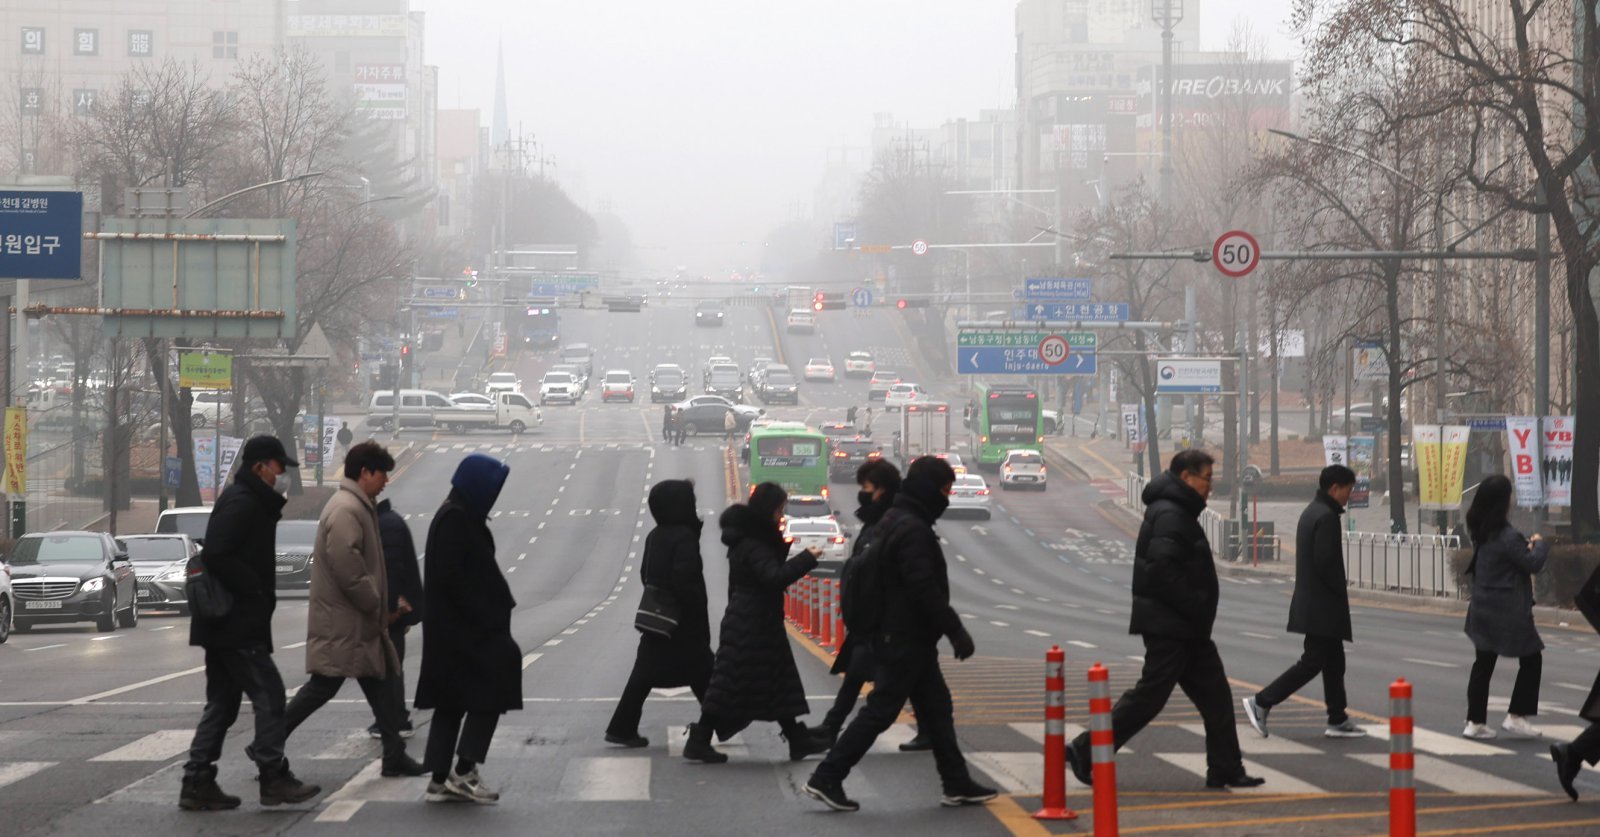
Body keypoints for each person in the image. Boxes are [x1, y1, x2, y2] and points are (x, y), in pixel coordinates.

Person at [804, 456, 996, 812]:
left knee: (937, 710)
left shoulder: (896, 520)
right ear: (928, 489)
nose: (947, 498)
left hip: (905, 637)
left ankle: (956, 782)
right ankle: (827, 776)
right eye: (944, 490)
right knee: (880, 711)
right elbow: (923, 588)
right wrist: (955, 631)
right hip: (903, 638)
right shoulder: (912, 530)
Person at [1066, 450, 1264, 790]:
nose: (1210, 487)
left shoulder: (1176, 510)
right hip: (1172, 627)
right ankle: (1085, 749)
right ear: (1186, 477)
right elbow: (1162, 569)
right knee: (1150, 697)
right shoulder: (1171, 514)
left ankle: (1226, 768)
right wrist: (1195, 605)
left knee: (1215, 696)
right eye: (1206, 479)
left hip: (1186, 628)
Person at [180, 435, 321, 811]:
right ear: (260, 467)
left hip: (229, 622)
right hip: (235, 622)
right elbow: (217, 553)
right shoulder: (244, 502)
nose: (283, 474)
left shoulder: (250, 500)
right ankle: (273, 777)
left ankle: (197, 780)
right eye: (279, 466)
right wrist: (254, 587)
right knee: (269, 695)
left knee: (223, 703)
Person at [282, 442, 426, 778]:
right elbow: (348, 567)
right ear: (364, 472)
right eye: (382, 473)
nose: (386, 481)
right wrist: (377, 602)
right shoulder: (347, 509)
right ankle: (267, 741)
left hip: (353, 620)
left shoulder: (357, 505)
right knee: (323, 687)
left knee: (382, 683)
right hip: (345, 620)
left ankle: (394, 753)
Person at [686, 483, 831, 763]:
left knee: (773, 681)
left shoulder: (746, 539)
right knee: (732, 684)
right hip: (752, 623)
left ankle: (797, 739)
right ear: (768, 509)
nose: (781, 516)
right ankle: (700, 738)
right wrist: (807, 558)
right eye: (779, 510)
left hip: (750, 619)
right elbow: (773, 577)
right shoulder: (754, 543)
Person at [417, 454, 523, 803]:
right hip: (467, 632)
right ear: (476, 486)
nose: (494, 497)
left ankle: (439, 778)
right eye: (491, 489)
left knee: (451, 701)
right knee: (492, 690)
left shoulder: (457, 514)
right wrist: (485, 614)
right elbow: (455, 578)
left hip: (455, 632)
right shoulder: (456, 520)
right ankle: (463, 770)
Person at [1243, 465, 1365, 739]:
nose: (1350, 494)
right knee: (1312, 662)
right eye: (1348, 489)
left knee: (1334, 663)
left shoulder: (1312, 512)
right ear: (1334, 488)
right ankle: (1261, 701)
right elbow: (1325, 562)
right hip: (1322, 606)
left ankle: (1338, 718)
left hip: (1314, 603)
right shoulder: (1327, 517)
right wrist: (1340, 588)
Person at [605, 480, 714, 747]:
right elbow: (685, 580)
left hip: (658, 618)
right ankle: (721, 724)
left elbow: (645, 574)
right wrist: (695, 606)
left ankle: (622, 727)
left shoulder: (655, 535)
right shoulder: (684, 537)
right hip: (683, 622)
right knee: (705, 672)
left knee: (644, 676)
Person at [818, 459, 901, 741]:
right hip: (871, 620)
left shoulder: (890, 525)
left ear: (881, 490)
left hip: (885, 623)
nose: (862, 493)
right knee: (857, 675)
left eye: (866, 487)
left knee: (884, 692)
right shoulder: (874, 522)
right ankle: (831, 726)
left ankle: (838, 740)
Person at [1462, 474, 1548, 739]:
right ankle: (1517, 716)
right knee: (1532, 659)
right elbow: (1532, 563)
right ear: (1502, 501)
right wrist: (1539, 544)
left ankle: (1475, 721)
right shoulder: (1507, 535)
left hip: (1482, 607)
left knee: (1483, 664)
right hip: (1508, 611)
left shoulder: (1481, 530)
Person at [370, 496, 424, 739]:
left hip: (392, 612)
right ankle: (392, 719)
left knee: (389, 666)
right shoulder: (385, 521)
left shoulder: (387, 525)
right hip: (392, 609)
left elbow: (390, 570)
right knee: (388, 665)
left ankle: (395, 720)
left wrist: (390, 608)